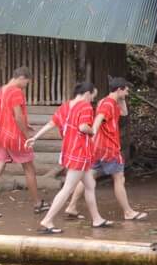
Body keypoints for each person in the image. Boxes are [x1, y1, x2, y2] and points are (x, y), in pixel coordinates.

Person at [37, 82, 107, 232]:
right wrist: (93, 131)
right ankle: (47, 221)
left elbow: (51, 123)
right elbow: (83, 127)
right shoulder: (86, 107)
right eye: (92, 96)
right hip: (80, 152)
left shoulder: (65, 106)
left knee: (90, 185)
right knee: (67, 189)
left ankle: (97, 219)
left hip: (69, 150)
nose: (92, 100)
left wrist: (35, 137)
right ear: (87, 93)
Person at [0, 66, 43, 218]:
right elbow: (18, 116)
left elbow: (4, 114)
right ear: (21, 78)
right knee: (29, 168)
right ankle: (37, 204)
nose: (26, 85)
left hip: (2, 134)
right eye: (27, 82)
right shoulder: (16, 92)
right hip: (15, 137)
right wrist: (27, 135)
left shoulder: (2, 90)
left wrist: (25, 124)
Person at [92, 77, 147, 221]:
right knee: (119, 178)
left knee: (88, 177)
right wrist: (92, 134)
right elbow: (99, 119)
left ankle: (71, 206)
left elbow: (124, 113)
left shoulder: (105, 101)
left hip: (98, 148)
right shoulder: (108, 104)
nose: (127, 93)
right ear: (118, 89)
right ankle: (128, 212)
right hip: (109, 148)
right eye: (126, 91)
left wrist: (121, 98)